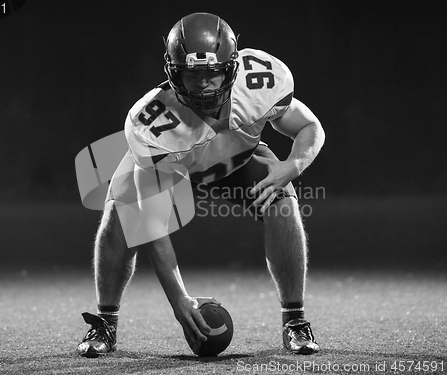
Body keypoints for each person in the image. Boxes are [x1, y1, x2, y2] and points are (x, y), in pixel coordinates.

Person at [77, 12, 325, 357]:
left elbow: (310, 128)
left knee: (283, 202)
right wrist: (178, 298)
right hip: (175, 169)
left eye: (212, 73)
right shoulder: (151, 125)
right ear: (173, 72)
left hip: (237, 159)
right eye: (192, 75)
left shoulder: (260, 83)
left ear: (232, 66)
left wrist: (291, 166)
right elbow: (152, 225)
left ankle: (295, 321)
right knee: (120, 218)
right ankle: (105, 323)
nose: (204, 85)